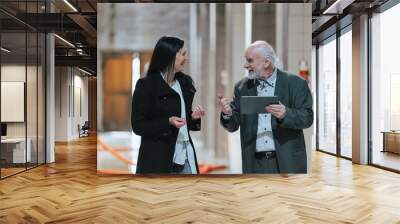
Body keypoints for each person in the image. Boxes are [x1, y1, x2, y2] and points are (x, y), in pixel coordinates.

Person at [219, 41, 313, 174]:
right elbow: (233, 125)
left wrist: (286, 114)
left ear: (266, 62)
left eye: (250, 60)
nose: (245, 65)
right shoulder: (242, 87)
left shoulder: (296, 84)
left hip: (287, 163)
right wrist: (227, 114)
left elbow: (307, 118)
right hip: (254, 163)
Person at [131, 36, 205, 174]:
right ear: (170, 56)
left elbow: (184, 121)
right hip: (158, 159)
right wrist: (167, 122)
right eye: (183, 54)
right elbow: (138, 125)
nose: (186, 58)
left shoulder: (185, 83)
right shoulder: (146, 86)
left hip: (185, 157)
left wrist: (193, 117)